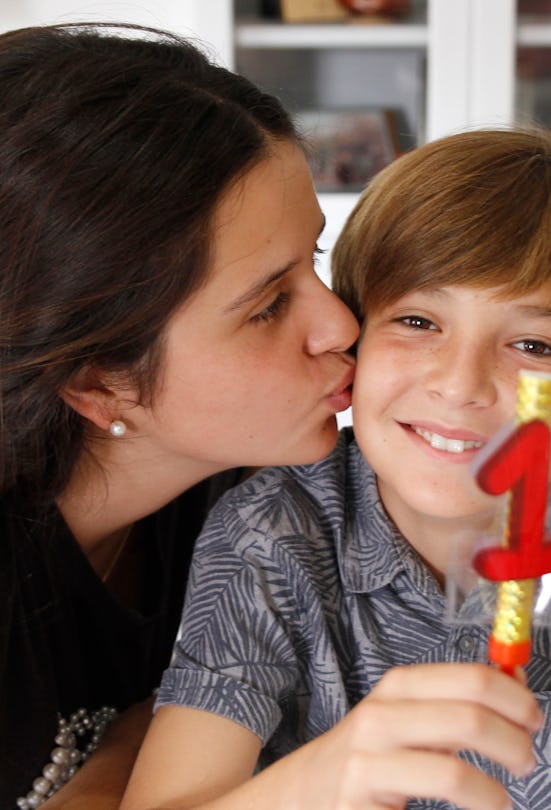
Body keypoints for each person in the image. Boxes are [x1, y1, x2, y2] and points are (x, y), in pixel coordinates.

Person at [121, 129, 551, 810]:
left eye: (532, 343)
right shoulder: (270, 535)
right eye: (416, 321)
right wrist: (317, 780)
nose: (460, 384)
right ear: (354, 340)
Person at [0, 22, 359, 810]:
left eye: (316, 262)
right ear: (98, 383)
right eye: (269, 306)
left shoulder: (282, 500)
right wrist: (137, 740)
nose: (341, 325)